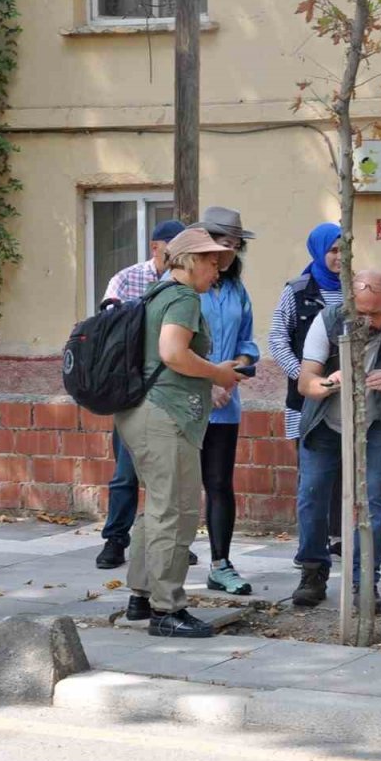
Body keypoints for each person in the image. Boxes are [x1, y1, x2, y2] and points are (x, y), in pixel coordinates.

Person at [117, 228, 243, 638]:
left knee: (156, 506)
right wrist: (218, 373)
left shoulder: (157, 292)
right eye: (211, 261)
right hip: (165, 415)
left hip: (142, 411)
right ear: (189, 261)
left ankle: (141, 595)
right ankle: (166, 608)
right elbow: (173, 353)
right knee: (176, 509)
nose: (216, 271)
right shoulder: (183, 297)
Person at [291, 270, 381, 611]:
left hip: (376, 424)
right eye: (359, 313)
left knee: (373, 502)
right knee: (312, 494)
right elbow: (306, 382)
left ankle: (365, 582)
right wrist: (329, 383)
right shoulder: (328, 320)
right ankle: (313, 570)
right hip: (325, 422)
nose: (366, 321)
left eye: (375, 314)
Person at [95, 219, 186, 570]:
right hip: (132, 388)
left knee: (169, 472)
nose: (177, 256)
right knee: (125, 471)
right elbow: (109, 329)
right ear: (155, 247)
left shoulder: (185, 286)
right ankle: (115, 540)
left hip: (172, 388)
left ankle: (168, 540)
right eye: (170, 249)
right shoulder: (126, 279)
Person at [190, 207, 260, 595]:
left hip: (226, 403)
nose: (228, 253)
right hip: (187, 402)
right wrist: (209, 381)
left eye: (235, 246)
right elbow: (173, 347)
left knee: (219, 483)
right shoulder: (181, 286)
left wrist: (236, 372)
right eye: (221, 243)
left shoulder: (236, 290)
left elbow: (247, 340)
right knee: (180, 488)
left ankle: (221, 563)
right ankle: (163, 568)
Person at [268, 223, 344, 562]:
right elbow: (278, 339)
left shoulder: (356, 289)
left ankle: (341, 534)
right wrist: (306, 378)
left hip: (346, 400)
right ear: (318, 251)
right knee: (312, 475)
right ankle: (315, 545)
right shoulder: (297, 290)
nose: (339, 257)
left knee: (346, 470)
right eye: (333, 250)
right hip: (305, 401)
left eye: (344, 250)